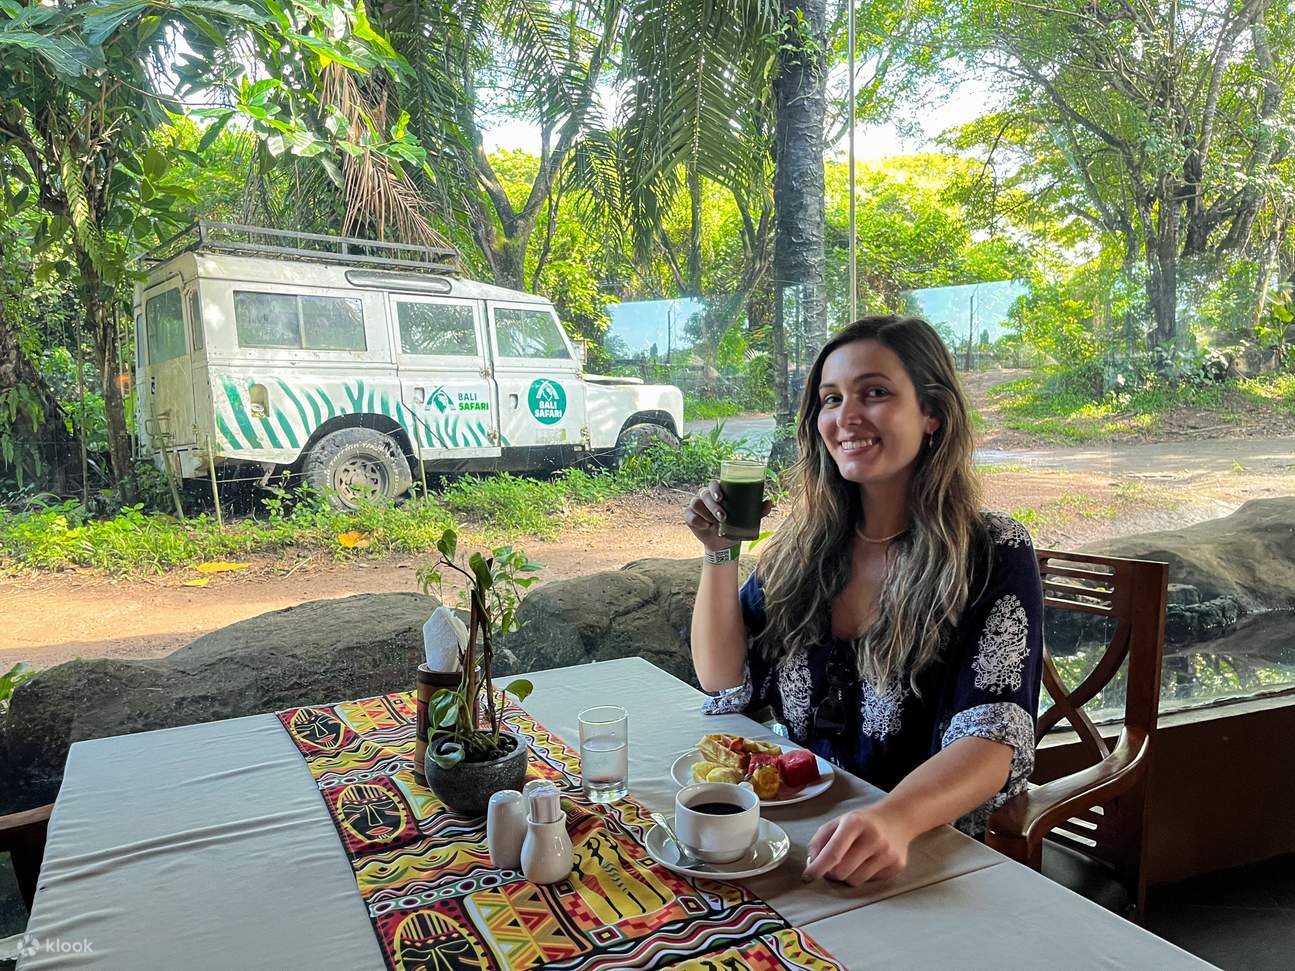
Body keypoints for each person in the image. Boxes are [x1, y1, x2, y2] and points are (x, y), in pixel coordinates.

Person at [686, 315, 1044, 887]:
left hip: (926, 844)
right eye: (830, 399)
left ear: (932, 414)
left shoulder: (991, 551)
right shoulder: (802, 548)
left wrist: (894, 820)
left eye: (874, 393)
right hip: (797, 833)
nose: (846, 418)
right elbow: (721, 676)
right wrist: (720, 553)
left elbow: (991, 736)